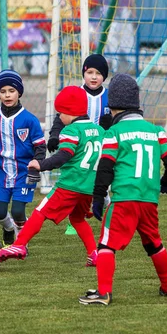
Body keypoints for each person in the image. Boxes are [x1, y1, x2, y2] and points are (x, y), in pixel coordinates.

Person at [78, 74, 167, 306]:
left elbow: (105, 167)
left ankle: (103, 293)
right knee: (154, 242)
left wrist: (97, 197)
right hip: (149, 199)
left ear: (112, 107)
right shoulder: (155, 130)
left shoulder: (114, 133)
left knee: (106, 244)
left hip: (124, 198)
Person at [0, 86, 104, 265]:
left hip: (70, 184)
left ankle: (19, 244)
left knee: (40, 212)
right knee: (76, 219)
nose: (59, 117)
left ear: (70, 112)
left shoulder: (71, 131)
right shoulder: (99, 131)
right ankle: (94, 254)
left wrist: (40, 165)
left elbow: (64, 155)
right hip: (89, 186)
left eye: (61, 113)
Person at [0, 69, 46, 245]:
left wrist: (37, 165)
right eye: (3, 91)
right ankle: (8, 228)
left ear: (19, 92)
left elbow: (40, 147)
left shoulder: (30, 119)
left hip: (24, 174)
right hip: (2, 173)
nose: (7, 95)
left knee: (18, 212)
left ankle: (21, 244)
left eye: (11, 91)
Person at [47, 53, 112, 236]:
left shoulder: (109, 97)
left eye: (98, 73)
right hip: (77, 148)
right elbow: (60, 119)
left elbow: (116, 122)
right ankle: (74, 221)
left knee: (101, 185)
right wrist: (54, 136)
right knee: (75, 183)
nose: (93, 76)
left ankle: (111, 216)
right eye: (90, 72)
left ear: (104, 77)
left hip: (99, 149)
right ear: (83, 73)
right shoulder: (75, 93)